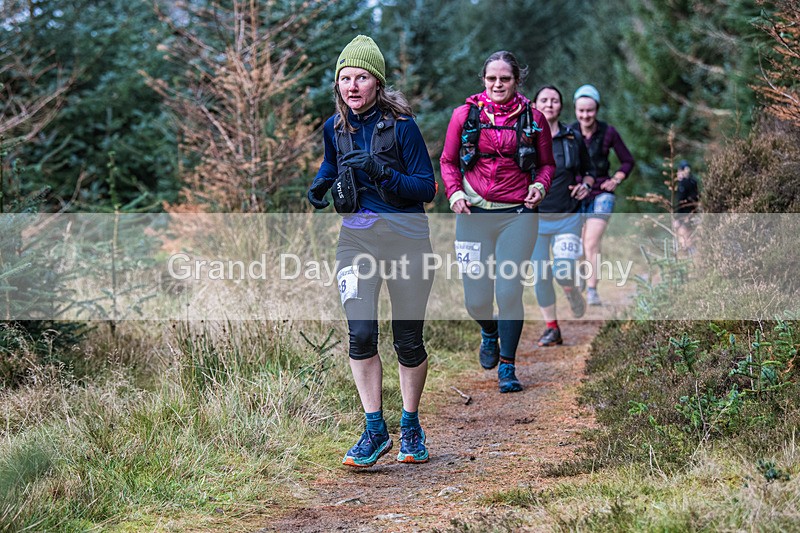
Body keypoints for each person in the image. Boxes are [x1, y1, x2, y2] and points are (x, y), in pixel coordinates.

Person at [306, 35, 437, 468]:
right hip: (356, 240)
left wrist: (380, 171)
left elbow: (426, 188)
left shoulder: (403, 127)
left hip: (407, 240)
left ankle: (412, 426)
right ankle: (374, 429)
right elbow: (331, 161)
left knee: (407, 340)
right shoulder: (334, 127)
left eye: (361, 77)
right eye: (345, 78)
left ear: (377, 82)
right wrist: (321, 183)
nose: (352, 85)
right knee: (361, 333)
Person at [440, 51, 555, 392]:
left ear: (517, 80)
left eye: (505, 79)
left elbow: (547, 165)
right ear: (484, 80)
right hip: (472, 214)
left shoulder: (534, 118)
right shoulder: (464, 115)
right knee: (475, 300)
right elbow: (447, 161)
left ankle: (508, 365)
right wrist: (454, 193)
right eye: (492, 79)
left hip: (516, 214)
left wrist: (539, 186)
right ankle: (488, 331)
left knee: (508, 291)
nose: (498, 84)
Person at [531, 85, 595, 347]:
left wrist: (586, 186)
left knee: (563, 270)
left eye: (554, 100)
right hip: (533, 218)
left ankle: (571, 290)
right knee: (540, 274)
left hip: (568, 215)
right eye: (544, 100)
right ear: (534, 105)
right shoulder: (525, 136)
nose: (549, 104)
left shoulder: (572, 137)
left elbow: (590, 171)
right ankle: (552, 328)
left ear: (561, 106)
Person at [571, 84, 635, 306]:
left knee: (591, 242)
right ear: (575, 110)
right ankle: (581, 272)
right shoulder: (568, 133)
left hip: (601, 194)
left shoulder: (609, 132)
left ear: (596, 110)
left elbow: (628, 161)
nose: (585, 115)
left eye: (589, 110)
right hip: (575, 194)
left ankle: (592, 290)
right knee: (577, 244)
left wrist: (615, 179)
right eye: (581, 111)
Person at [673, 159, 700, 251]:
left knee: (684, 238)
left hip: (684, 215)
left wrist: (677, 218)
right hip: (693, 213)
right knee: (690, 237)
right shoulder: (693, 182)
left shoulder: (683, 184)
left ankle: (688, 255)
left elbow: (681, 202)